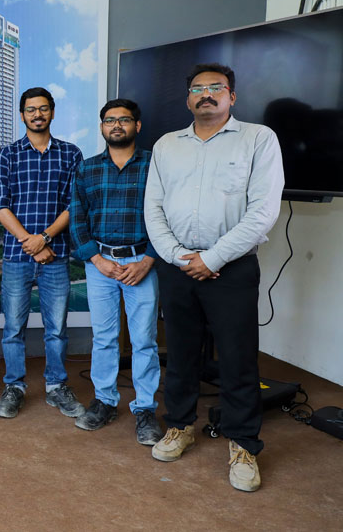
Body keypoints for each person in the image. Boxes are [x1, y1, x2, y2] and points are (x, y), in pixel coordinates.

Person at [145, 63, 283, 492]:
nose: (206, 94)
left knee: (238, 360)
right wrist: (177, 256)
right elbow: (154, 207)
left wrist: (213, 257)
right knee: (180, 353)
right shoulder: (167, 145)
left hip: (232, 267)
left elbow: (263, 212)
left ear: (231, 96)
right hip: (178, 266)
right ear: (188, 98)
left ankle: (243, 444)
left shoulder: (259, 139)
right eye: (197, 88)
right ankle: (180, 425)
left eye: (215, 87)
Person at [69, 98, 163, 445]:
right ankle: (105, 401)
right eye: (110, 120)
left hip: (142, 263)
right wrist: (97, 260)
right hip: (101, 266)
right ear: (102, 127)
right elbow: (77, 218)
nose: (116, 126)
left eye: (124, 120)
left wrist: (148, 260)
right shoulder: (88, 169)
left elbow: (169, 215)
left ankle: (145, 409)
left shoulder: (156, 165)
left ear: (137, 126)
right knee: (105, 338)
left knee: (144, 340)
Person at [0, 87, 84, 420]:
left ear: (52, 112)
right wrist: (29, 242)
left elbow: (75, 205)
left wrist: (44, 239)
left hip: (55, 256)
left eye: (43, 108)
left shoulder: (70, 154)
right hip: (17, 257)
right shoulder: (8, 155)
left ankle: (56, 386)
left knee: (56, 329)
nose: (37, 114)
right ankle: (14, 387)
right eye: (30, 109)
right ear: (22, 115)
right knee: (13, 329)